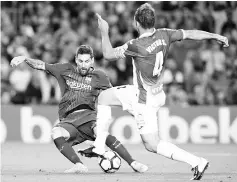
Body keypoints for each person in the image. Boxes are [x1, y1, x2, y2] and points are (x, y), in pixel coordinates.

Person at [91, 3, 229, 180]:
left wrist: (104, 30)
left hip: (144, 100)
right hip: (152, 93)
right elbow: (191, 33)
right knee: (104, 97)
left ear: (136, 23)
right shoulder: (165, 34)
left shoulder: (135, 45)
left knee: (152, 144)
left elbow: (108, 54)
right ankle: (99, 146)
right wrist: (215, 36)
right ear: (153, 22)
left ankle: (197, 162)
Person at [10, 45, 148, 173]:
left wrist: (133, 112)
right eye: (80, 61)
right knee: (55, 133)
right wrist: (24, 58)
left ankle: (133, 163)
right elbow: (41, 65)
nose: (83, 65)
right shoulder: (65, 70)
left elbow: (114, 96)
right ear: (76, 59)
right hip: (68, 119)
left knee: (101, 133)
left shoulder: (100, 76)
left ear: (92, 61)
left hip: (89, 117)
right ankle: (79, 165)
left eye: (87, 61)